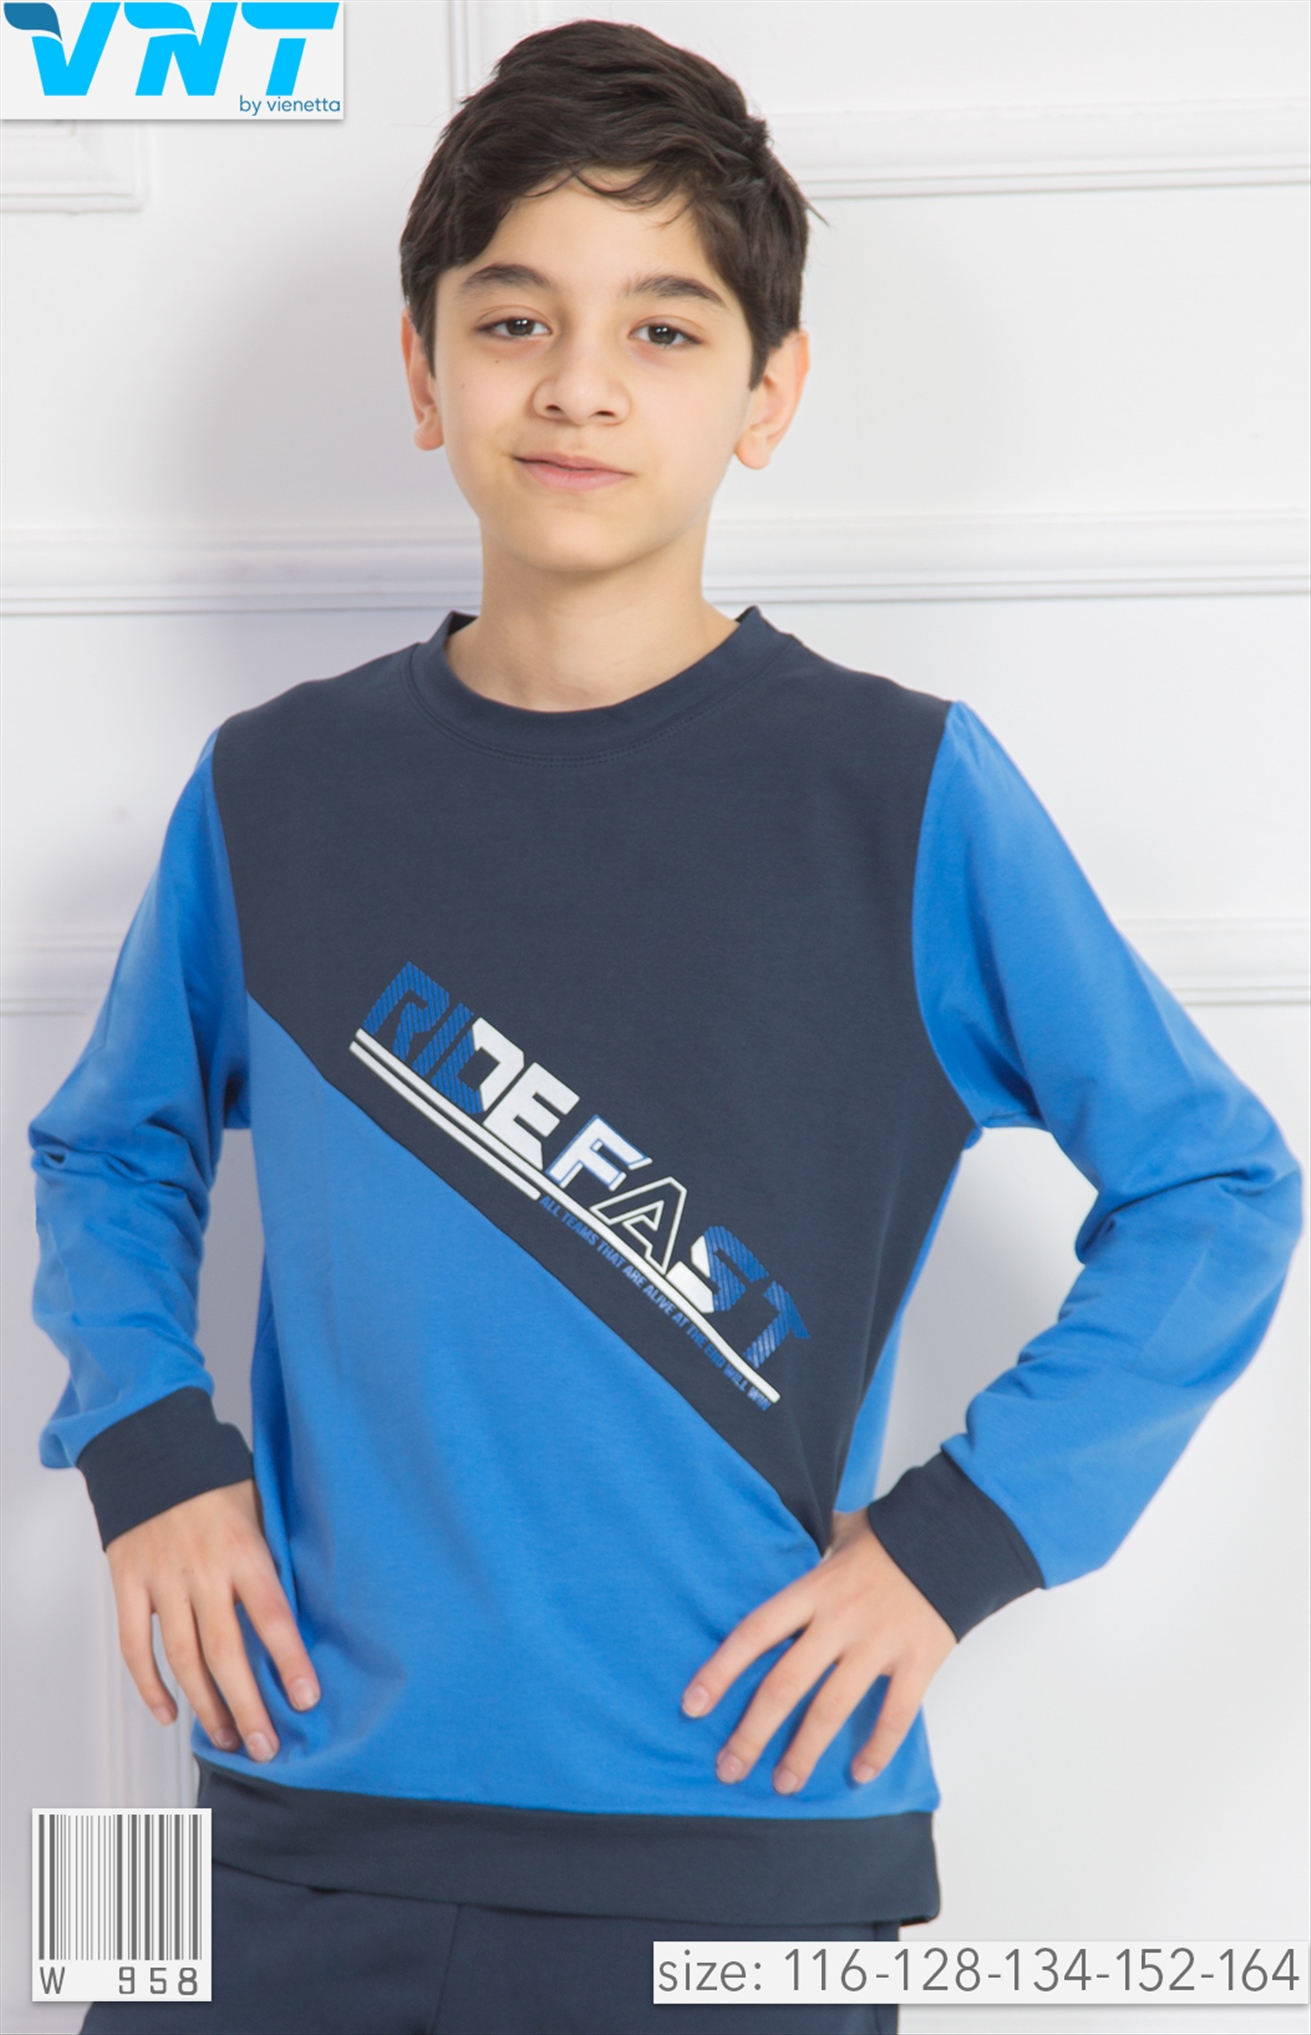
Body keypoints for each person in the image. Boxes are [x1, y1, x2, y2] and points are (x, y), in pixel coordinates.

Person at [30, 21, 1300, 2035]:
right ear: (422, 370)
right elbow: (111, 1142)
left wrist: (956, 1543)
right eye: (512, 318)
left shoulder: (899, 795)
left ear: (767, 393)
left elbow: (1218, 1186)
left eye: (664, 328)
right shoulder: (274, 788)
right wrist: (145, 1444)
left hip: (743, 1858)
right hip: (284, 1823)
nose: (579, 384)